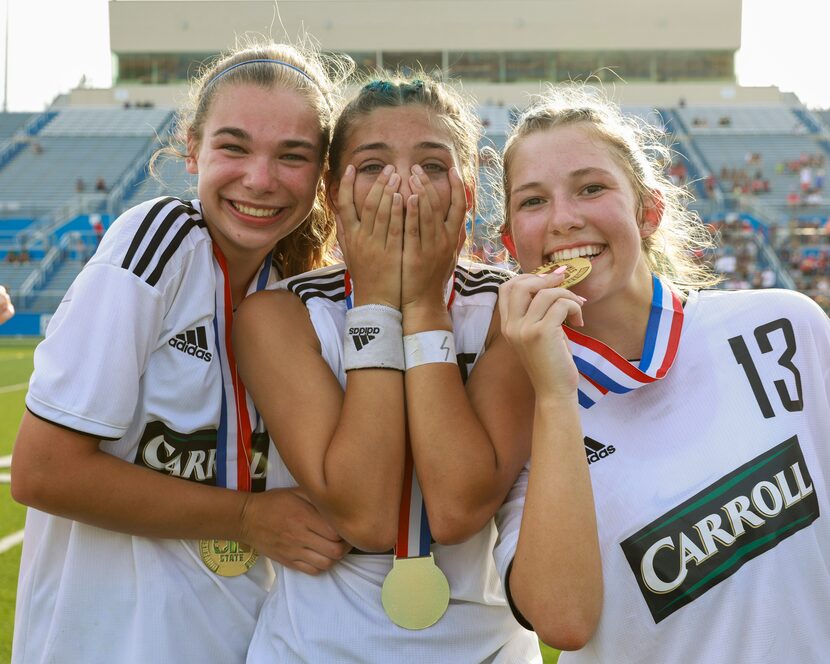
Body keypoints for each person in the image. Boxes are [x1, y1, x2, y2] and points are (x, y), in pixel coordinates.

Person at [234, 75, 597, 662]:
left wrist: (425, 305)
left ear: (470, 188)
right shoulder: (277, 316)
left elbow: (457, 509)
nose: (403, 188)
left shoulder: (513, 308)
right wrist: (377, 299)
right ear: (332, 192)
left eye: (432, 165)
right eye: (373, 166)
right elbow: (367, 515)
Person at [10, 42, 352, 663]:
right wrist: (247, 518)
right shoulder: (159, 241)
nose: (260, 178)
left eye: (292, 156)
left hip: (244, 641)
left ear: (321, 176)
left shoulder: (300, 295)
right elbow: (43, 471)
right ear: (191, 147)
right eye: (234, 146)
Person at [494, 85, 830, 661]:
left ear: (649, 211)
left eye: (591, 188)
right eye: (532, 202)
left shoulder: (782, 328)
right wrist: (554, 396)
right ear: (509, 245)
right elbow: (562, 622)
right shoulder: (521, 421)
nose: (564, 219)